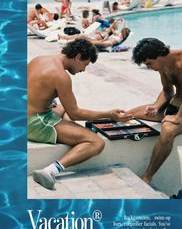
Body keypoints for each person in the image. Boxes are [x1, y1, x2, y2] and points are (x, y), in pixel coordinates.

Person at [28, 38, 132, 190]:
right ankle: (50, 171)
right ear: (77, 57)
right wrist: (109, 114)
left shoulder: (39, 59)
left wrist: (44, 98)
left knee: (63, 109)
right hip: (34, 123)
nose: (83, 69)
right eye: (85, 64)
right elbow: (75, 113)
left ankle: (73, 134)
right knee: (96, 143)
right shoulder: (61, 76)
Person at [129, 38, 182, 184]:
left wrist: (179, 116)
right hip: (170, 109)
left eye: (149, 63)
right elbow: (167, 90)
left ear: (158, 55)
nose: (149, 67)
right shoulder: (162, 66)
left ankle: (147, 176)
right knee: (128, 114)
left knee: (168, 130)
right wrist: (157, 106)